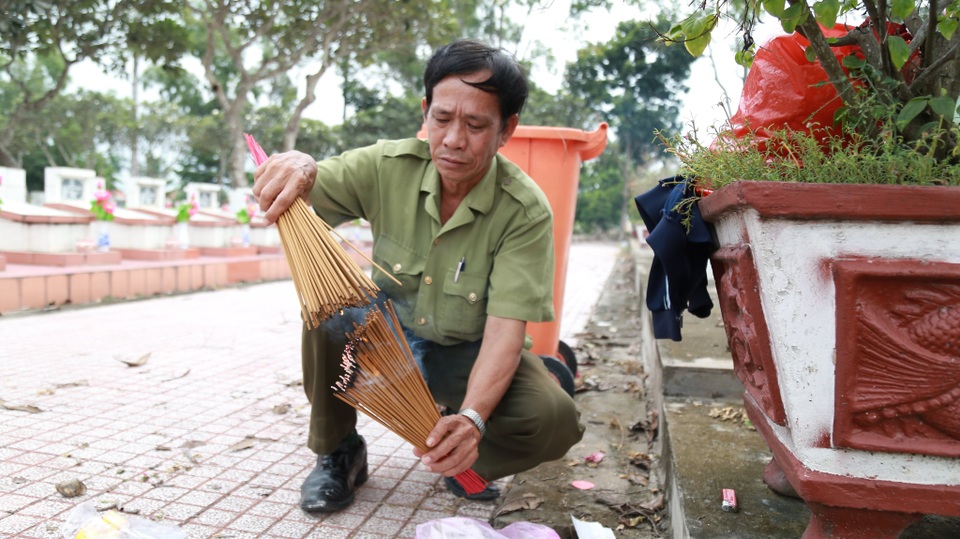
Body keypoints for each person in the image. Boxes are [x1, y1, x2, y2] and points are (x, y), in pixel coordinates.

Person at [252, 38, 584, 513]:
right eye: (442, 119)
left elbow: (505, 332)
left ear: (506, 129)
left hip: (464, 353)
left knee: (553, 418)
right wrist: (299, 164)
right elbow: (307, 189)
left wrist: (472, 420)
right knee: (329, 310)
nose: (453, 139)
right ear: (426, 111)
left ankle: (464, 461)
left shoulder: (524, 211)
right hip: (384, 341)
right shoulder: (386, 166)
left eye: (475, 125)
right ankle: (339, 451)